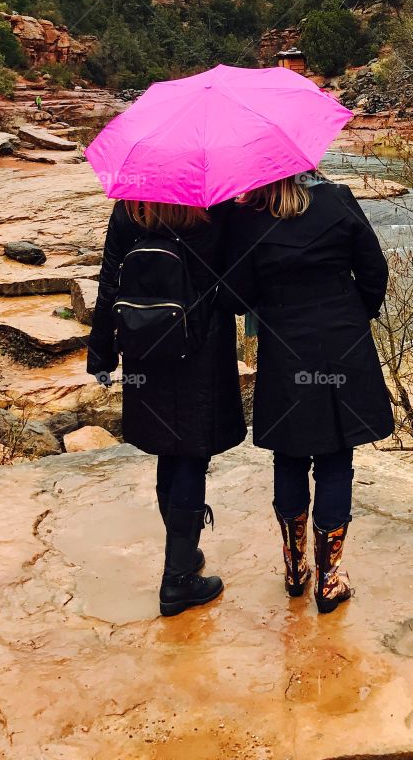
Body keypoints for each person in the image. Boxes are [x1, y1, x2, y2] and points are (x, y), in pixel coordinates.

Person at [227, 173, 392, 613]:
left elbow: (237, 296)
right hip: (343, 344)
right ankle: (330, 578)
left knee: (290, 453)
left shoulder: (247, 216)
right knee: (337, 458)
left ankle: (295, 570)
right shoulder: (337, 200)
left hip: (286, 350)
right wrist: (354, 314)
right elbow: (375, 271)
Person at [86, 198, 246, 617]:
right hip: (201, 349)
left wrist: (101, 356)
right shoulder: (218, 210)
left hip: (145, 347)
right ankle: (177, 579)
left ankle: (184, 554)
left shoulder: (128, 210)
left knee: (167, 449)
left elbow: (109, 284)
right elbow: (236, 293)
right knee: (192, 454)